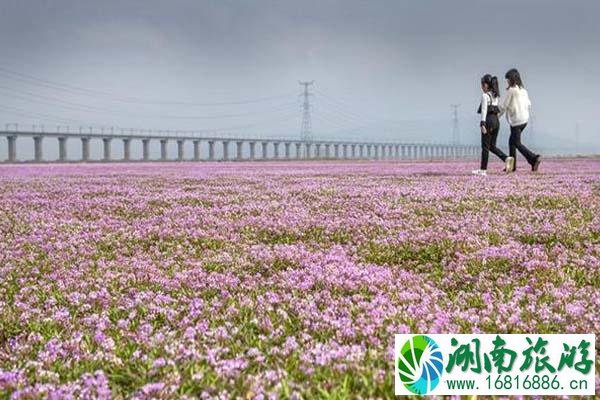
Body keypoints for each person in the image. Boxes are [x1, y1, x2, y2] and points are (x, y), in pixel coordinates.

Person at [499, 68, 541, 172]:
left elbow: (504, 106)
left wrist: (496, 117)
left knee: (516, 142)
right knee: (512, 142)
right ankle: (512, 167)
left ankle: (533, 158)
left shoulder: (512, 90)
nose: (507, 81)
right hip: (524, 120)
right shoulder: (523, 90)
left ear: (512, 79)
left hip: (516, 121)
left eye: (508, 79)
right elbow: (529, 104)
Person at [472, 74, 513, 176]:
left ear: (486, 85)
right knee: (492, 146)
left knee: (485, 147)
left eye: (482, 85)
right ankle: (506, 158)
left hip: (489, 121)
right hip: (496, 122)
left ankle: (483, 170)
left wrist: (482, 124)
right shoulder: (495, 96)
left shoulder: (485, 96)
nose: (481, 87)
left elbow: (484, 110)